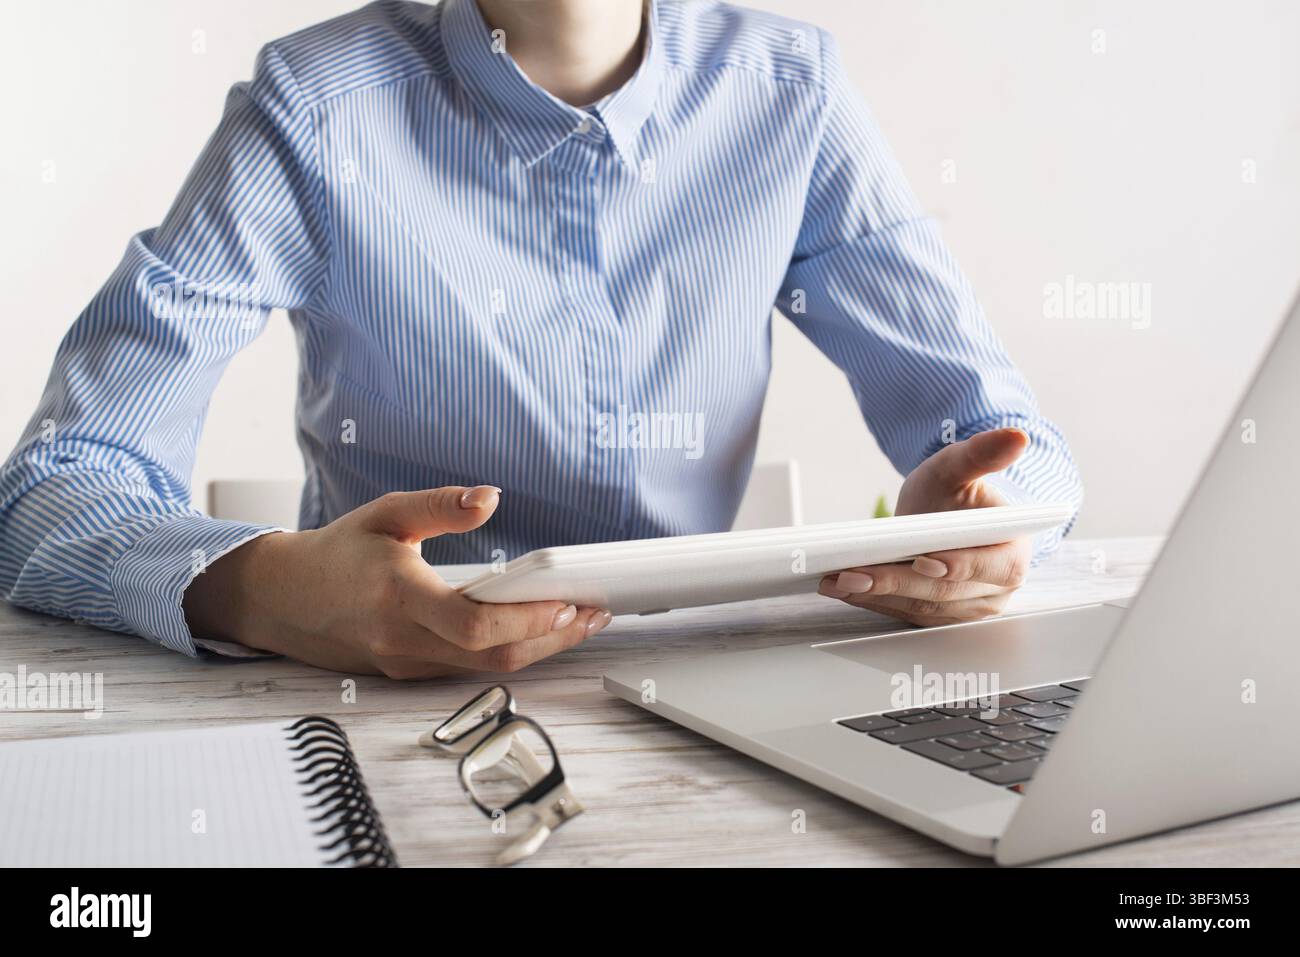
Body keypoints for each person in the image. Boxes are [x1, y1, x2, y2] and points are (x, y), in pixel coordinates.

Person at [0, 0, 1082, 678]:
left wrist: (996, 524)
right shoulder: (317, 104)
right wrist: (259, 588)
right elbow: (52, 490)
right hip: (391, 702)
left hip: (715, 683)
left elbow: (1007, 438)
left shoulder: (790, 91)